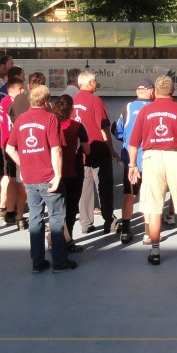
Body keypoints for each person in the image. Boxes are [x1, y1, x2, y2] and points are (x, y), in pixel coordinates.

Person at [127, 76, 177, 265]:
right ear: (173, 90)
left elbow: (133, 143)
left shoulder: (145, 111)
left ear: (155, 91)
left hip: (152, 159)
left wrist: (132, 165)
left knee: (154, 207)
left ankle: (155, 251)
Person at [6, 85, 75, 273]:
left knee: (35, 218)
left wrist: (23, 164)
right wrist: (58, 174)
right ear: (46, 102)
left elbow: (10, 148)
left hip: (30, 178)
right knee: (56, 218)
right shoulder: (50, 118)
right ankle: (60, 261)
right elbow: (56, 149)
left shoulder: (21, 119)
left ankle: (37, 262)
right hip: (48, 177)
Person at [72, 70, 116, 235]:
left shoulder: (73, 101)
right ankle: (109, 221)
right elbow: (104, 127)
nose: (96, 84)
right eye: (95, 81)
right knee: (104, 186)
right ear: (90, 83)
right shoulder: (95, 100)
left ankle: (85, 223)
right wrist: (111, 149)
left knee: (84, 187)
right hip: (98, 150)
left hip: (80, 151)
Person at [115, 78, 154, 243]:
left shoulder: (128, 107)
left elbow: (117, 130)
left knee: (129, 195)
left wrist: (127, 140)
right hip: (151, 160)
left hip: (131, 161)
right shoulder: (154, 107)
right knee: (149, 197)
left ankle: (125, 231)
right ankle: (148, 233)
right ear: (151, 90)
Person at [51, 94, 89, 254]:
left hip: (54, 173)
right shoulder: (77, 126)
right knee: (71, 209)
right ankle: (68, 241)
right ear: (71, 109)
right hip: (73, 171)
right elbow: (87, 150)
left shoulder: (51, 124)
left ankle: (54, 239)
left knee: (55, 209)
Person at [0, 76, 29, 230]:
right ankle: (16, 214)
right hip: (12, 144)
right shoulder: (11, 104)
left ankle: (9, 209)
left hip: (7, 143)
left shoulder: (5, 102)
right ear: (11, 91)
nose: (23, 91)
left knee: (11, 178)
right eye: (20, 89)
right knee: (18, 180)